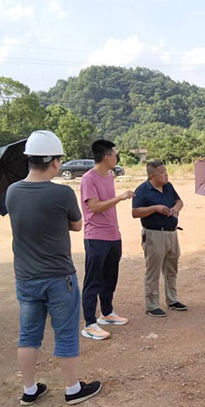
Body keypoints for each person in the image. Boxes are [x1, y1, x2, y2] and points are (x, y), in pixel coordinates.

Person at [6, 130, 101, 406]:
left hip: (26, 278)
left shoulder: (12, 191)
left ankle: (29, 390)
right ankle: (72, 389)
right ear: (55, 162)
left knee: (28, 335)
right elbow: (77, 225)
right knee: (66, 332)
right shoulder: (62, 193)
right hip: (59, 277)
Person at [80, 139, 135, 340]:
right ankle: (89, 324)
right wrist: (120, 197)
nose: (117, 158)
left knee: (110, 277)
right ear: (106, 158)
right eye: (115, 155)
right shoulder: (88, 179)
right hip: (96, 236)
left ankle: (107, 313)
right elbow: (94, 207)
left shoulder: (109, 176)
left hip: (113, 235)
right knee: (93, 280)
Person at [131, 160, 187, 317]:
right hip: (154, 234)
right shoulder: (142, 190)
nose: (166, 175)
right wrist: (155, 208)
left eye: (166, 171)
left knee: (171, 268)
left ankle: (172, 299)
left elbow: (179, 201)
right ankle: (152, 305)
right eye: (162, 173)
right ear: (152, 176)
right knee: (153, 270)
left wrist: (176, 208)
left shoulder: (168, 186)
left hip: (171, 233)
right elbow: (135, 212)